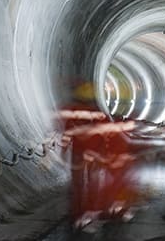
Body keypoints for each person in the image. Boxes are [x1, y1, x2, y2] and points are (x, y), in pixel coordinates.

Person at [58, 81, 107, 230]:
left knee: (78, 183)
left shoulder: (74, 113)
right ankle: (91, 211)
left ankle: (77, 213)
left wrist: (63, 151)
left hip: (79, 153)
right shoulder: (98, 114)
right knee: (93, 182)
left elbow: (67, 134)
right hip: (94, 153)